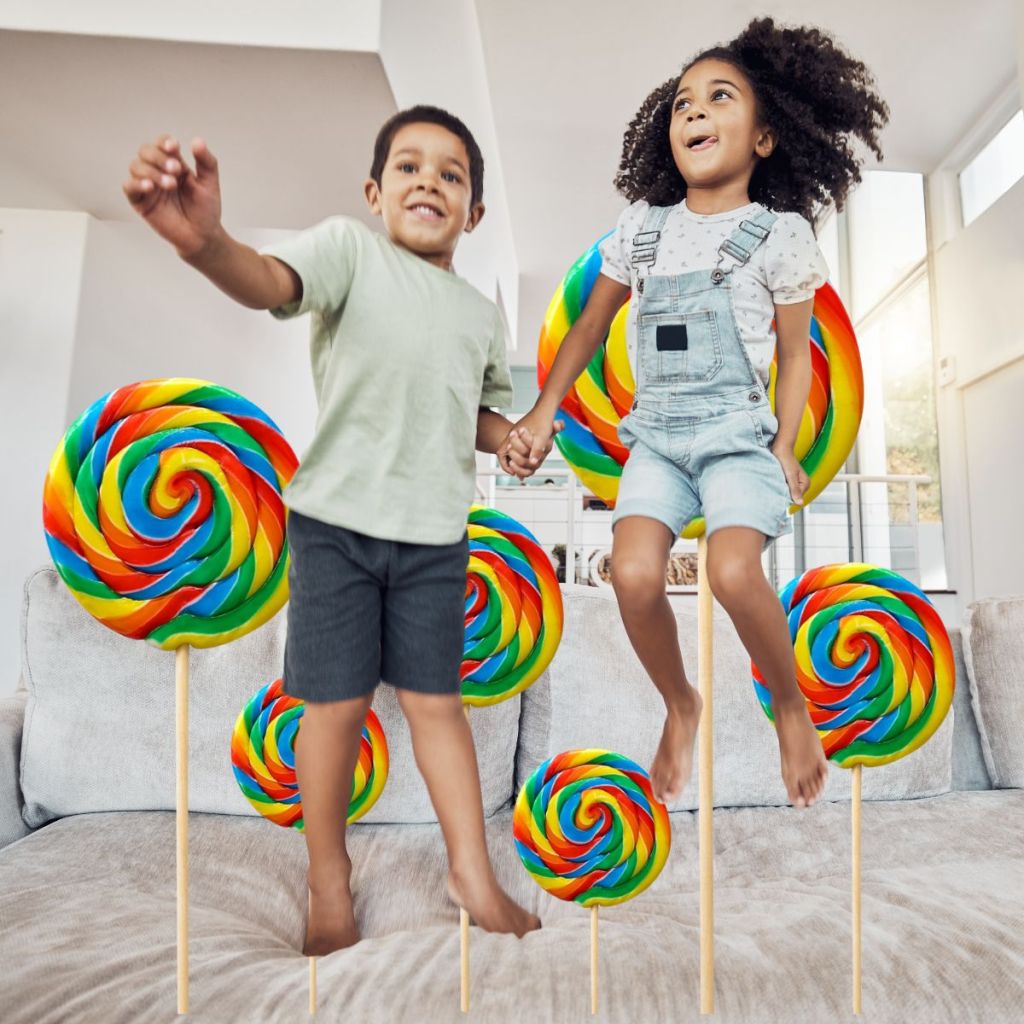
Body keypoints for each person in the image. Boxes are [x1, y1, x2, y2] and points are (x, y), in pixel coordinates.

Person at [123, 105, 547, 954]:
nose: (430, 180)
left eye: (453, 174)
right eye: (410, 167)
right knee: (336, 705)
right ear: (374, 191)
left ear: (476, 213)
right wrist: (207, 244)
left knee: (438, 705)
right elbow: (269, 282)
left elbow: (475, 415)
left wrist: (516, 438)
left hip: (435, 537)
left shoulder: (479, 318)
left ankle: (471, 870)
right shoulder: (350, 253)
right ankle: (327, 876)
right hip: (335, 528)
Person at [507, 17, 889, 810]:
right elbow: (587, 327)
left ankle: (789, 704)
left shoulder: (778, 236)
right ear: (666, 131)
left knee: (730, 569)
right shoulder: (641, 230)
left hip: (739, 437)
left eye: (720, 98)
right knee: (635, 574)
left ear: (765, 140)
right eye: (683, 103)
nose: (696, 113)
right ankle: (681, 702)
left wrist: (787, 443)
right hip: (658, 438)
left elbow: (793, 355)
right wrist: (543, 412)